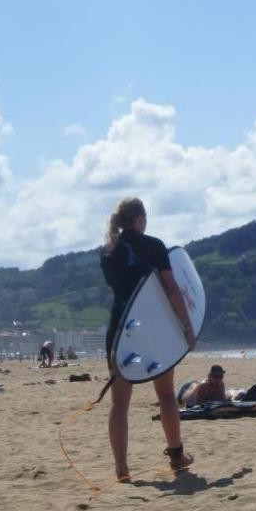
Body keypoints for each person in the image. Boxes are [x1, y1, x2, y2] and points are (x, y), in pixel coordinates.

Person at [100, 197, 195, 480]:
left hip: (121, 331)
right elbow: (171, 289)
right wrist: (188, 328)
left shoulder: (107, 251)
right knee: (166, 394)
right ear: (139, 219)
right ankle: (176, 458)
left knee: (120, 403)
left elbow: (120, 288)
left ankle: (121, 469)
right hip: (155, 330)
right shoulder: (153, 246)